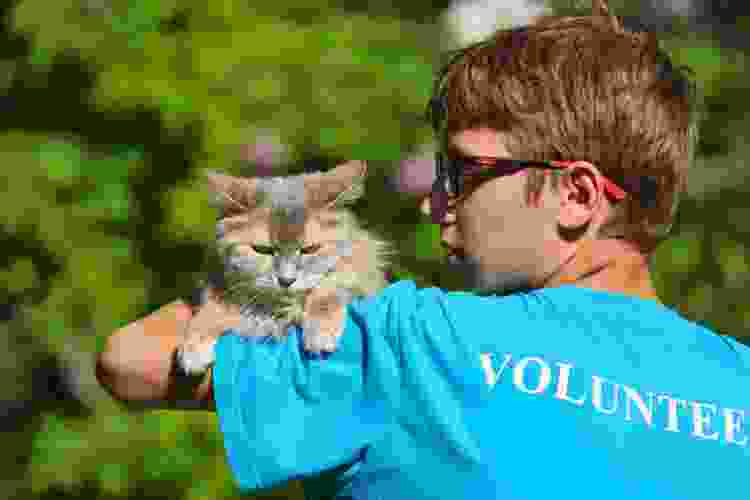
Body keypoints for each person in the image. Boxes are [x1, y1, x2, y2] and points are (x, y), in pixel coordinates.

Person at [96, 1, 750, 498]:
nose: (435, 202)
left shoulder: (417, 342)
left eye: (464, 173)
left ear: (576, 195)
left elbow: (132, 360)